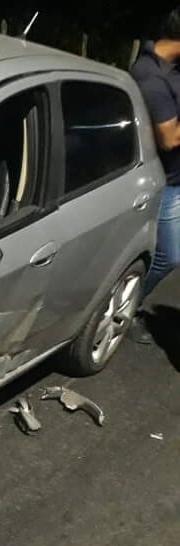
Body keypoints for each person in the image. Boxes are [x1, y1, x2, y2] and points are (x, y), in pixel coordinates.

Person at [130, 9, 180, 343]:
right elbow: (170, 138)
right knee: (167, 256)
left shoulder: (172, 69)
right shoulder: (150, 77)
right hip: (166, 181)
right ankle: (125, 307)